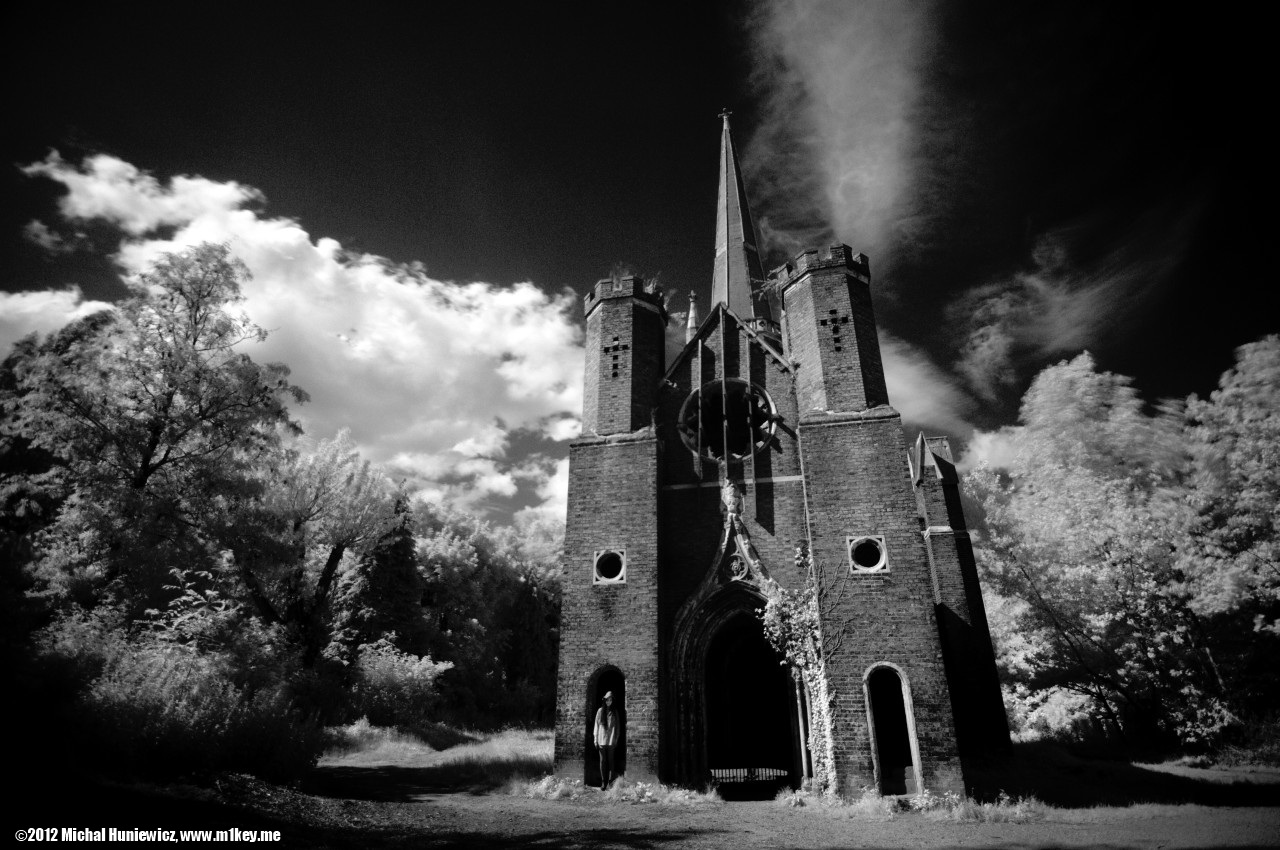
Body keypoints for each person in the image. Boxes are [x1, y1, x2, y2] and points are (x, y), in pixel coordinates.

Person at [593, 690, 619, 788]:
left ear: (612, 701)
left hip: (611, 740)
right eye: (607, 700)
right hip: (601, 740)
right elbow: (596, 725)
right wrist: (595, 739)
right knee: (602, 761)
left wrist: (616, 738)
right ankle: (603, 782)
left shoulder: (615, 712)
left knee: (611, 761)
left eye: (610, 700)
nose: (608, 702)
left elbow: (618, 727)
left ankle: (611, 782)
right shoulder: (600, 711)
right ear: (604, 701)